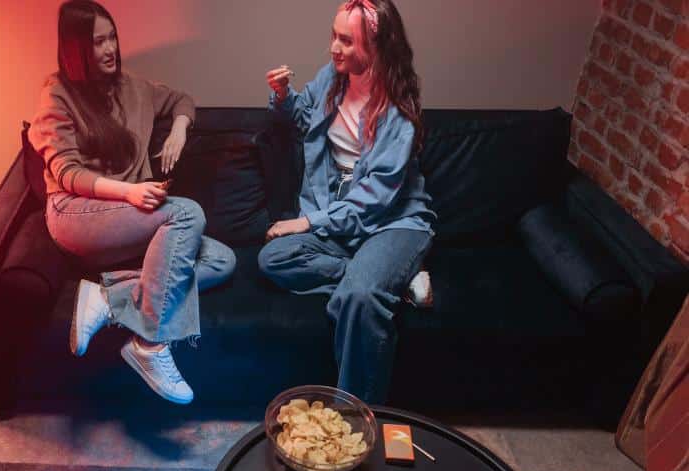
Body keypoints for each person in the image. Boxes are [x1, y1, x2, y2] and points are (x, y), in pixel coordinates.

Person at [29, 0, 236, 405]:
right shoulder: (57, 96)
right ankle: (150, 344)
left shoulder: (133, 87)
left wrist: (178, 129)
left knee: (221, 260)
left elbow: (182, 100)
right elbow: (67, 173)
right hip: (77, 214)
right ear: (76, 51)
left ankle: (105, 300)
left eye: (112, 39)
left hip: (130, 218)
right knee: (186, 213)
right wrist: (129, 191)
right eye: (97, 43)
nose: (109, 50)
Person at [258, 0, 436, 403]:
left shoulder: (399, 113)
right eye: (333, 36)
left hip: (393, 221)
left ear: (376, 46)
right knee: (273, 259)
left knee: (358, 298)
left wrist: (307, 223)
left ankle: (355, 417)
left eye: (346, 40)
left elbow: (374, 200)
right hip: (335, 212)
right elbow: (306, 121)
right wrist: (284, 97)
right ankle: (389, 280)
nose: (333, 48)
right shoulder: (331, 78)